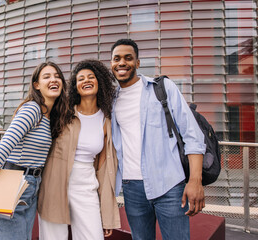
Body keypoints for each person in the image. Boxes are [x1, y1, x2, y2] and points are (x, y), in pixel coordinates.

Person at [110, 39, 206, 240]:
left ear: (137, 63)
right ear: (111, 64)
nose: (122, 63)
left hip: (169, 185)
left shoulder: (162, 88)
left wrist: (195, 181)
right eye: (116, 58)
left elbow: (192, 135)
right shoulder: (111, 100)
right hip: (132, 188)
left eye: (128, 58)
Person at [0, 61, 69, 240]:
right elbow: (3, 147)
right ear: (37, 85)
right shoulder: (32, 109)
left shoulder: (48, 116)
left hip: (30, 187)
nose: (54, 79)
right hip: (13, 185)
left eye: (58, 76)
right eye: (47, 76)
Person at [37, 59, 120, 240]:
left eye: (91, 77)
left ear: (100, 81)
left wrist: (106, 214)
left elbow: (104, 169)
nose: (86, 81)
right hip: (54, 184)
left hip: (86, 187)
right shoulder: (63, 112)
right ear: (75, 86)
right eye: (80, 79)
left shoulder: (106, 121)